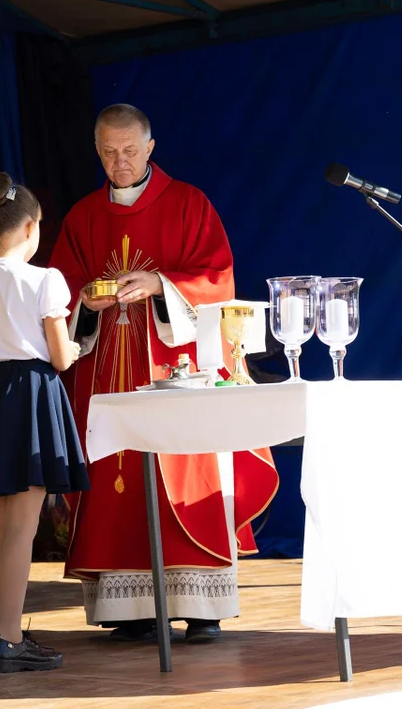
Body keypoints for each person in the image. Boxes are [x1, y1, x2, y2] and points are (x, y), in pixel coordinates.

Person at [49, 104, 279, 642]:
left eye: (129, 150)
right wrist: (85, 298)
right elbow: (59, 287)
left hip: (175, 366)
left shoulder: (188, 204)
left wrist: (160, 286)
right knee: (115, 479)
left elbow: (218, 279)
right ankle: (129, 610)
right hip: (108, 369)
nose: (119, 161)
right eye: (108, 152)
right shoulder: (83, 216)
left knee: (183, 470)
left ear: (151, 147)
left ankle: (200, 607)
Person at [0, 172, 89, 673]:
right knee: (22, 526)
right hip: (31, 393)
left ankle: (3, 634)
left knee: (1, 526)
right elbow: (59, 357)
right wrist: (74, 348)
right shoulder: (45, 279)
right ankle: (10, 639)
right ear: (34, 227)